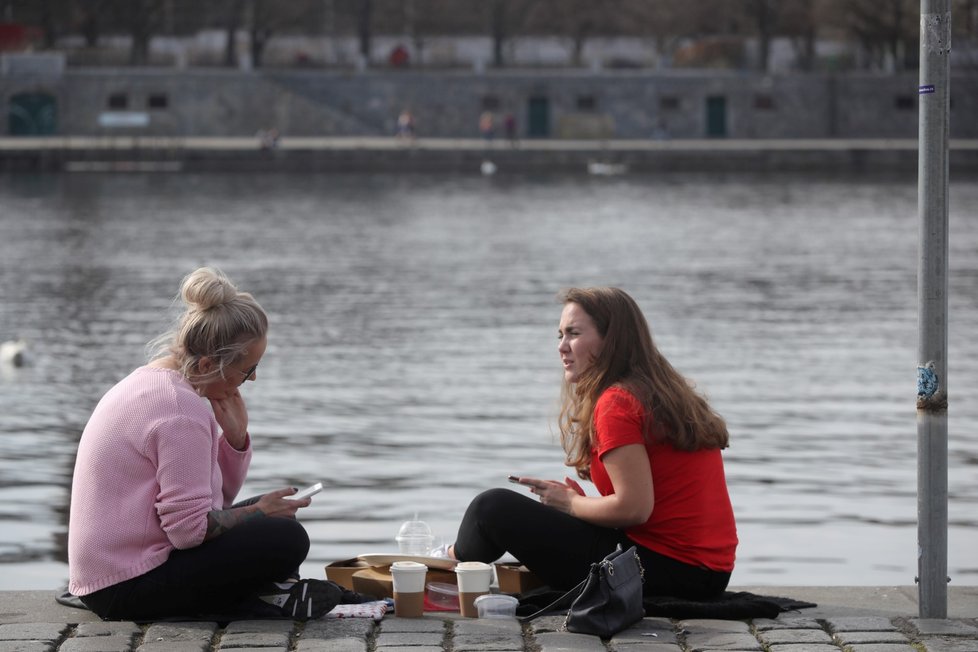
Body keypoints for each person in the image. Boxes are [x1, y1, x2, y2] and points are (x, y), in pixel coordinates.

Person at [67, 267, 360, 621]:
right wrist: (259, 512)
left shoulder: (152, 381)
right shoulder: (180, 411)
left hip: (110, 576)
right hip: (126, 588)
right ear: (208, 363)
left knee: (270, 517)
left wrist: (234, 441)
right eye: (247, 370)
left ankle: (270, 592)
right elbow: (190, 533)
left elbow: (212, 505)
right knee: (285, 537)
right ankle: (259, 599)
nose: (251, 379)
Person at [437, 287, 737, 600]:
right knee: (527, 513)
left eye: (574, 334)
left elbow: (635, 508)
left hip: (665, 571)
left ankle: (444, 562)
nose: (562, 347)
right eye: (559, 335)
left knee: (491, 507)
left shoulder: (618, 402)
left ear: (612, 341)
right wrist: (577, 507)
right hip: (706, 573)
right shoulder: (655, 392)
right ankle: (452, 561)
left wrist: (569, 504)